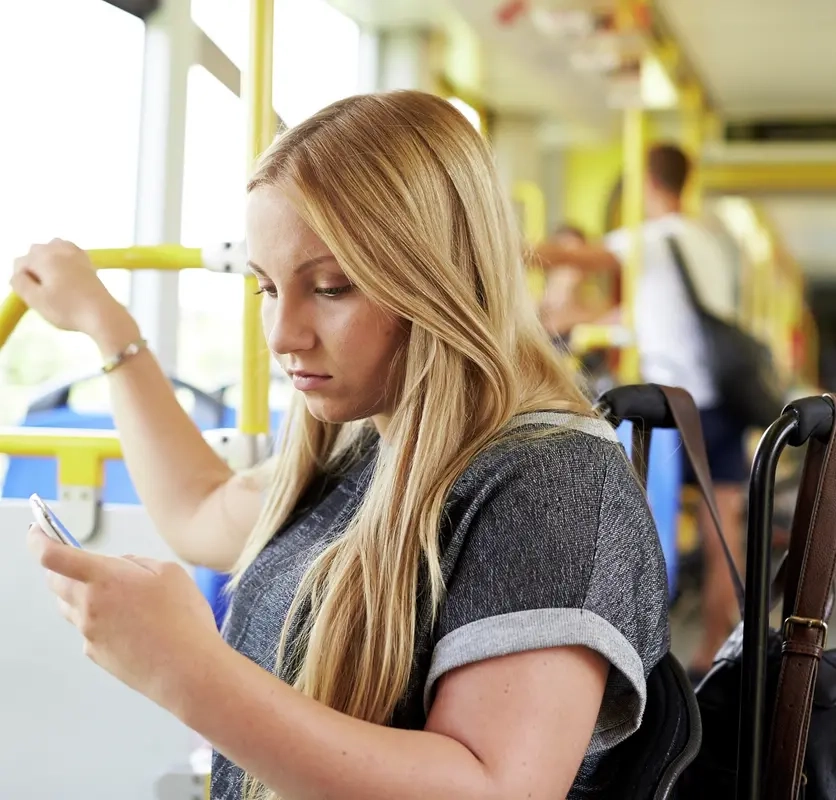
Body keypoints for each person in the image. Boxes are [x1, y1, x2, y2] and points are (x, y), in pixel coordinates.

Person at [13, 90, 669, 799]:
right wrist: (108, 329)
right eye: (267, 288)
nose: (281, 335)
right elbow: (200, 509)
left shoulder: (551, 482)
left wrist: (188, 672)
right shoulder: (369, 439)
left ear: (438, 278)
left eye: (330, 287)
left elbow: (493, 786)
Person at [535, 143, 744, 679]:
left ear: (648, 184)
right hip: (723, 398)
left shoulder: (651, 237)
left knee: (644, 521)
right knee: (724, 526)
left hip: (676, 405)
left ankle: (644, 651)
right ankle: (721, 648)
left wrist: (510, 246)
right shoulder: (709, 241)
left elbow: (581, 259)